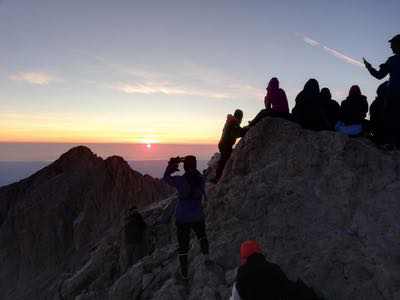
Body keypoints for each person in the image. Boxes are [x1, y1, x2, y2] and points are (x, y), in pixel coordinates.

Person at [163, 155, 210, 280]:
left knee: (183, 245)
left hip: (182, 216)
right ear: (194, 165)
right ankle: (207, 259)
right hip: (197, 214)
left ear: (185, 166)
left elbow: (166, 178)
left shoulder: (180, 180)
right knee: (202, 236)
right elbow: (203, 178)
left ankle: (184, 274)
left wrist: (172, 165)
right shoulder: (200, 179)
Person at [230, 240, 320, 300]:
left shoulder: (240, 278)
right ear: (259, 252)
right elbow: (289, 289)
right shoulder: (273, 268)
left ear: (244, 258)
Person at [364, 34, 400, 146]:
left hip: (393, 96)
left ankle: (389, 144)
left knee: (389, 120)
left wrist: (369, 67)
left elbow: (379, 75)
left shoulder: (392, 60)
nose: (391, 47)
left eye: (392, 44)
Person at [214, 109, 248, 183]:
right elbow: (236, 133)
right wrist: (246, 129)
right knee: (224, 161)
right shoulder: (233, 122)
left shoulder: (231, 121)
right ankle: (217, 178)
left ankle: (217, 177)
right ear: (239, 117)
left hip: (224, 144)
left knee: (224, 160)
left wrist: (244, 129)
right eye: (241, 118)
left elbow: (236, 131)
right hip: (225, 145)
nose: (241, 120)